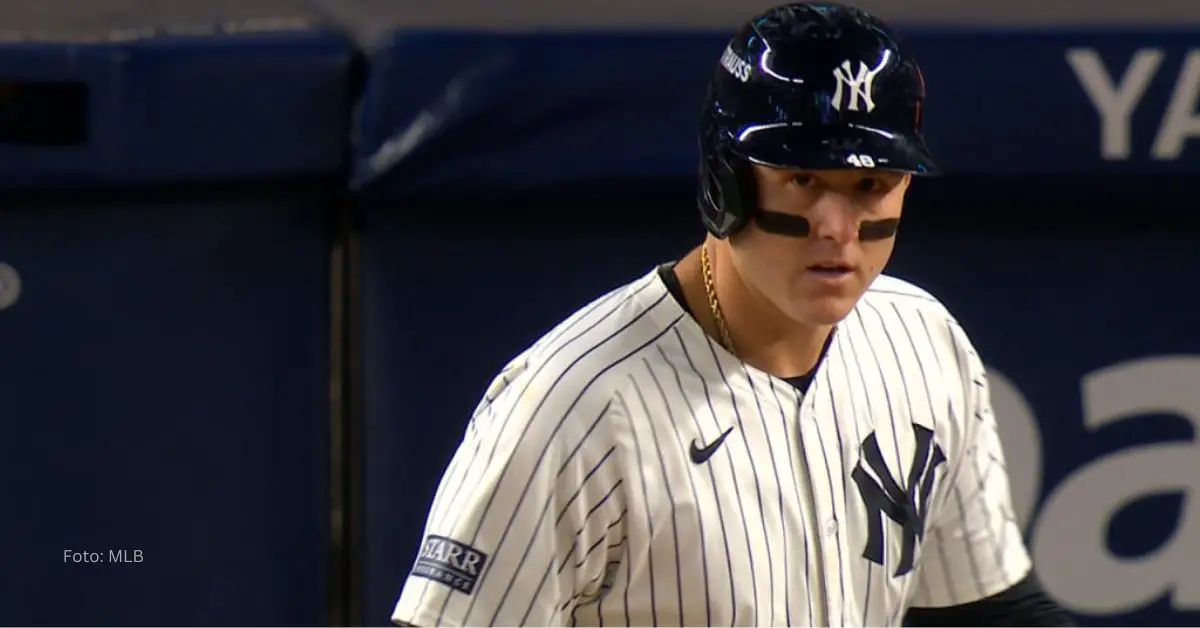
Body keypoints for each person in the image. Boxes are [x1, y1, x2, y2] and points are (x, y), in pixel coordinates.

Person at [391, 2, 1075, 626]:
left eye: (870, 185)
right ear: (725, 182)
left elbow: (986, 614)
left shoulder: (922, 343)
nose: (837, 227)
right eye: (803, 179)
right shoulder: (573, 410)